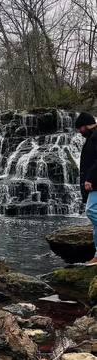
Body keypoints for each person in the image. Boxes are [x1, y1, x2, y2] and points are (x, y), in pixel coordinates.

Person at [76, 112, 97, 265]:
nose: (79, 131)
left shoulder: (95, 136)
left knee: (91, 211)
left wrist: (90, 178)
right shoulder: (92, 137)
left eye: (80, 128)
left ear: (87, 125)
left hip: (95, 182)